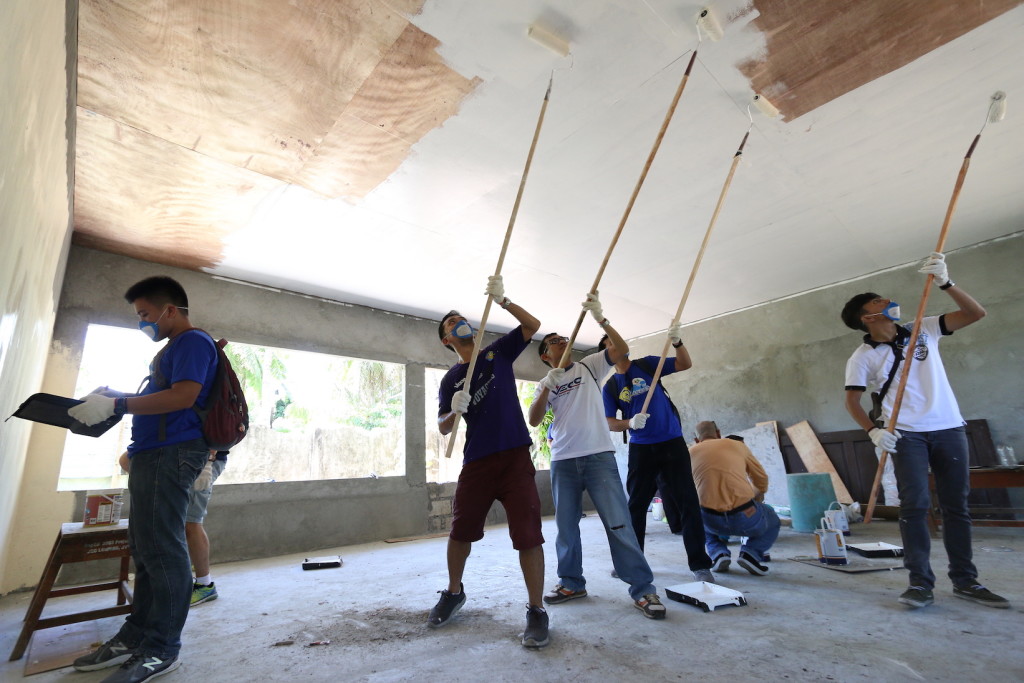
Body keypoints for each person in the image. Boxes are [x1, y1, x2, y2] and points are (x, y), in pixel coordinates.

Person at [69, 276, 217, 682]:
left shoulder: (192, 342)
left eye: (145, 314)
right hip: (153, 455)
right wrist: (113, 395)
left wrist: (117, 402)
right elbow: (165, 398)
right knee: (147, 548)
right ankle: (137, 635)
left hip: (173, 455)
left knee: (164, 551)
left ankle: (162, 648)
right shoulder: (172, 350)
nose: (143, 323)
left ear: (170, 310)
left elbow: (184, 397)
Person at [841, 252, 1009, 610]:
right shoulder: (862, 357)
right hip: (906, 435)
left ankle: (966, 581)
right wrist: (873, 431)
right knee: (914, 507)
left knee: (956, 507)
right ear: (867, 317)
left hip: (949, 428)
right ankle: (920, 584)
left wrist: (946, 282)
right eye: (878, 301)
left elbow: (976, 314)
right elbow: (852, 402)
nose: (888, 301)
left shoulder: (925, 328)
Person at [529, 293, 666, 620]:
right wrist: (548, 386)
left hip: (598, 456)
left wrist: (601, 319)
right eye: (553, 341)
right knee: (565, 527)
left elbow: (622, 350)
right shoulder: (543, 383)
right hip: (563, 460)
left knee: (620, 523)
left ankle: (643, 589)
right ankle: (571, 582)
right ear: (546, 356)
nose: (562, 341)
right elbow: (536, 419)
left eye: (563, 338)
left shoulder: (588, 366)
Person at [431, 275, 549, 648]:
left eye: (459, 318)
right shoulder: (451, 379)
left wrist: (504, 300)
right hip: (477, 463)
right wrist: (453, 411)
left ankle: (536, 610)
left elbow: (532, 327)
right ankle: (453, 592)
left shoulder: (497, 353)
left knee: (528, 534)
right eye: (451, 323)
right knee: (460, 531)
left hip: (515, 457)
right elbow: (443, 428)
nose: (459, 322)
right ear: (447, 340)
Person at [601, 328, 715, 582]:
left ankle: (700, 565)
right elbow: (609, 422)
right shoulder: (610, 386)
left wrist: (678, 342)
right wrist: (629, 423)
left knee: (687, 502)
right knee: (635, 507)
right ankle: (631, 562)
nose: (618, 344)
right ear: (607, 353)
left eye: (619, 340)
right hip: (641, 449)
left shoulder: (648, 364)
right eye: (611, 343)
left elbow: (684, 363)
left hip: (672, 443)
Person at [118, 449, 226, 606]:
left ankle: (205, 585)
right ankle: (177, 580)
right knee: (178, 523)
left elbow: (217, 428)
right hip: (175, 457)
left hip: (199, 460)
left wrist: (209, 458)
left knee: (191, 523)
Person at [689, 420, 779, 575]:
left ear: (697, 440)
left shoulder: (689, 452)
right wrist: (757, 498)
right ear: (718, 433)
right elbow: (761, 479)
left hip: (711, 519)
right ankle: (750, 553)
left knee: (698, 519)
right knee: (772, 519)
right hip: (745, 515)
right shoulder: (737, 445)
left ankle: (718, 554)